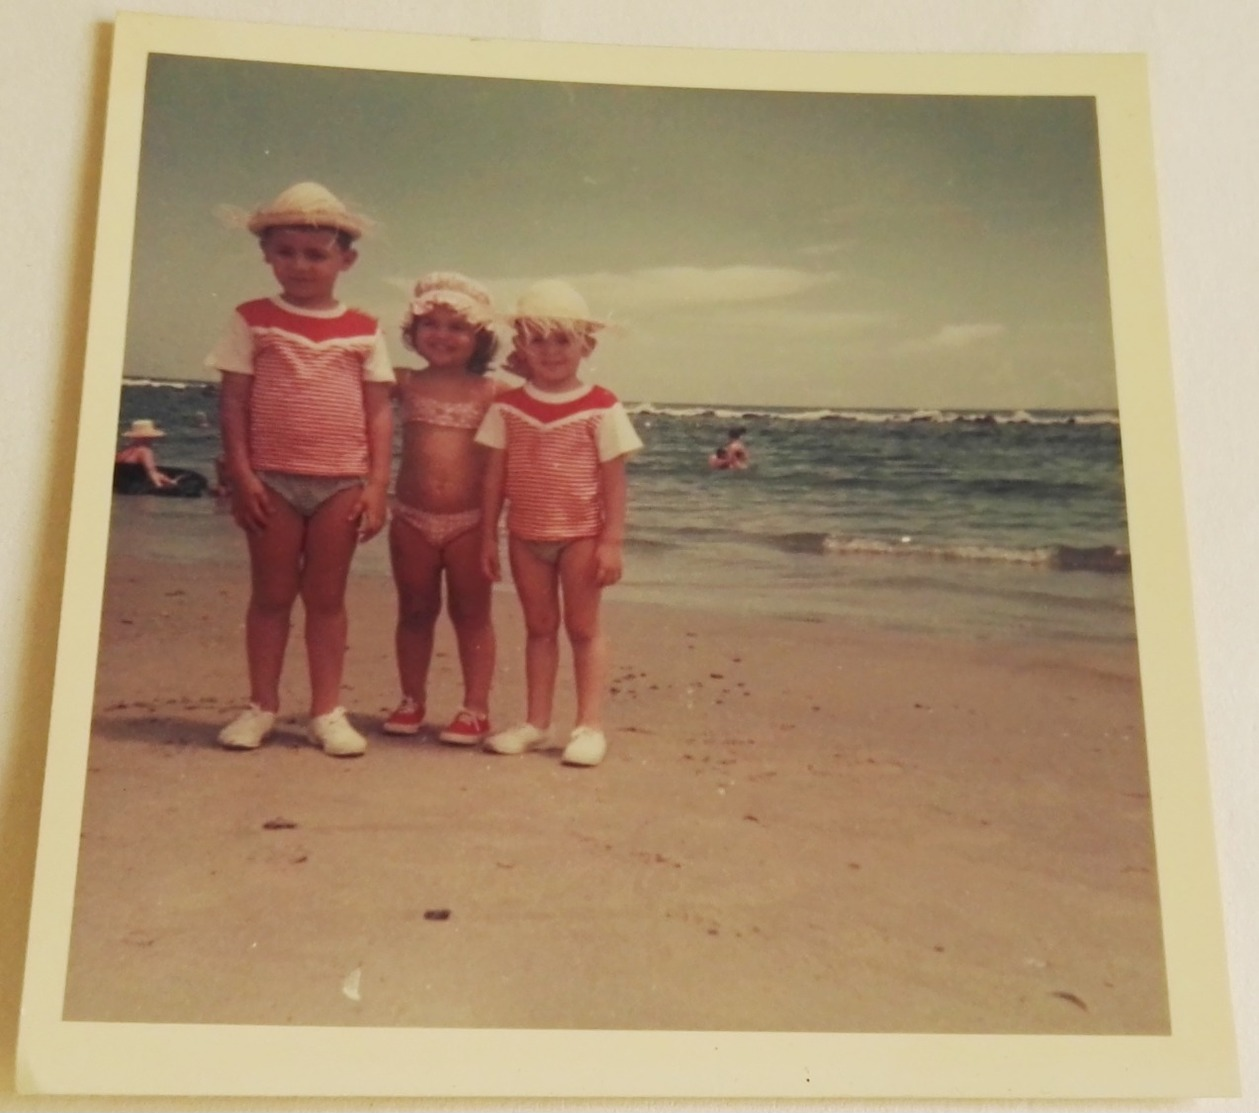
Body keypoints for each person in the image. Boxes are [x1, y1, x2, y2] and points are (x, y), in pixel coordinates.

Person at [207, 182, 394, 757]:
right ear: (266, 253)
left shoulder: (364, 328)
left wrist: (378, 485)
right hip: (272, 481)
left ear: (346, 260)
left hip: (341, 482)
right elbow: (234, 401)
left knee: (327, 597)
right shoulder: (252, 318)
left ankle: (326, 712)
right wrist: (242, 475)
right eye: (286, 252)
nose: (300, 265)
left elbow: (379, 410)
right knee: (270, 594)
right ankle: (262, 706)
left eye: (316, 255)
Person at [477, 280, 642, 767]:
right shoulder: (507, 406)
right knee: (539, 628)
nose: (549, 351)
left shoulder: (602, 405)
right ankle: (536, 721)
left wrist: (611, 542)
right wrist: (488, 534)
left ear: (585, 347)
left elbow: (614, 480)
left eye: (562, 340)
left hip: (581, 536)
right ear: (520, 345)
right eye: (537, 339)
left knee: (584, 628)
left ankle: (589, 726)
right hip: (526, 536)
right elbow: (494, 477)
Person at [382, 272, 505, 745]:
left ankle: (476, 708)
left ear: (481, 338)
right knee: (414, 610)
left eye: (457, 327)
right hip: (410, 517)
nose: (442, 335)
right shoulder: (404, 381)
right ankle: (411, 699)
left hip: (470, 523)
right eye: (430, 324)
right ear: (412, 334)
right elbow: (348, 384)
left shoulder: (494, 391)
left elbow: (543, 407)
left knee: (472, 614)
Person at [114, 419, 176, 490]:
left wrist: (164, 478)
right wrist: (165, 484)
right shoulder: (145, 451)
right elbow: (152, 472)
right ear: (148, 437)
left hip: (120, 484)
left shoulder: (125, 450)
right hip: (133, 487)